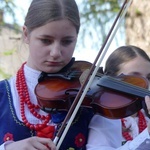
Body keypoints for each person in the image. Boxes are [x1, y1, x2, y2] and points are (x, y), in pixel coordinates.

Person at [1, 0, 150, 149]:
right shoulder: (2, 95)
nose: (56, 53)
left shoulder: (97, 96)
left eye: (67, 42)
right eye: (46, 41)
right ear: (26, 34)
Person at [86, 45, 150, 150]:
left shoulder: (146, 117)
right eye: (135, 78)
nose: (145, 84)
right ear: (111, 79)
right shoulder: (106, 118)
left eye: (149, 77)